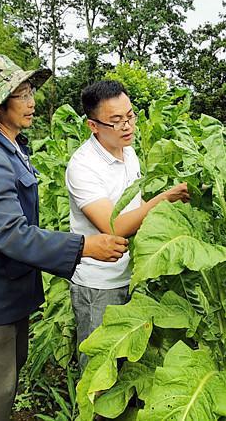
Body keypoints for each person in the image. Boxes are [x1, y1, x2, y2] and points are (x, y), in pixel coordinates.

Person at [0, 55, 129, 421]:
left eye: (30, 92)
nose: (32, 102)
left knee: (1, 397)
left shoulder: (10, 148)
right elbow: (10, 233)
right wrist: (84, 246)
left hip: (7, 302)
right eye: (22, 95)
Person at [65, 80, 190, 366]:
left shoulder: (128, 151)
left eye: (130, 116)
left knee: (128, 364)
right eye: (116, 121)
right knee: (99, 369)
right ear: (93, 125)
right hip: (100, 284)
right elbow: (114, 226)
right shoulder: (82, 167)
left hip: (133, 276)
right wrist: (166, 197)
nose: (127, 126)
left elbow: (136, 204)